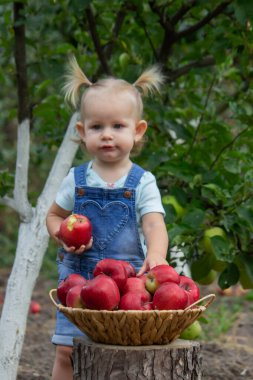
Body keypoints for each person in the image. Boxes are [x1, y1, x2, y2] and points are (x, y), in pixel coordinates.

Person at [46, 56, 169, 380]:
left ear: (138, 131)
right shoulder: (77, 178)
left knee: (122, 352)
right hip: (79, 280)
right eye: (97, 127)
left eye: (118, 126)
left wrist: (156, 256)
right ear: (82, 132)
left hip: (128, 284)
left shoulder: (142, 181)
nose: (107, 135)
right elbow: (55, 216)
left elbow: (154, 223)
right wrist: (61, 234)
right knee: (67, 349)